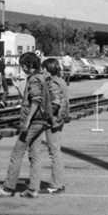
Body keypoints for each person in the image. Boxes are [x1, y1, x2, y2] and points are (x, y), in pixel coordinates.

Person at [0, 52, 51, 198]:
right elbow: (32, 97)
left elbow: (36, 100)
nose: (22, 68)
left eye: (23, 65)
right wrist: (18, 87)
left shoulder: (34, 79)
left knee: (17, 153)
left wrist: (27, 121)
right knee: (35, 154)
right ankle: (33, 188)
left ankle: (7, 188)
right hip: (41, 121)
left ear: (30, 65)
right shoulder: (41, 77)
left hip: (33, 122)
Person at [41, 58, 70, 193]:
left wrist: (47, 116)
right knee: (56, 152)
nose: (42, 71)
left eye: (43, 69)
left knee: (54, 153)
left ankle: (56, 185)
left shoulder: (53, 84)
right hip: (60, 119)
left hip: (53, 121)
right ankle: (58, 183)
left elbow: (56, 102)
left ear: (48, 69)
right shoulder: (60, 80)